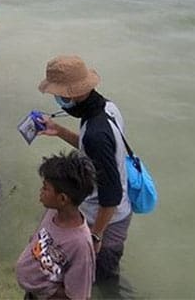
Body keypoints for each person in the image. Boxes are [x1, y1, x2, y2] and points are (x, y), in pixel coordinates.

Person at [36, 55, 133, 283]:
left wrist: (95, 236)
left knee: (102, 281)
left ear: (73, 93)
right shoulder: (107, 108)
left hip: (107, 220)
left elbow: (111, 195)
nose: (57, 99)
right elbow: (93, 149)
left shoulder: (96, 134)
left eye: (58, 94)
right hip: (112, 211)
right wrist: (58, 130)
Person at [16, 151, 97, 300]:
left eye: (45, 188)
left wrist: (48, 291)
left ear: (62, 198)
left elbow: (78, 295)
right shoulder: (52, 212)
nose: (41, 192)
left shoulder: (80, 245)